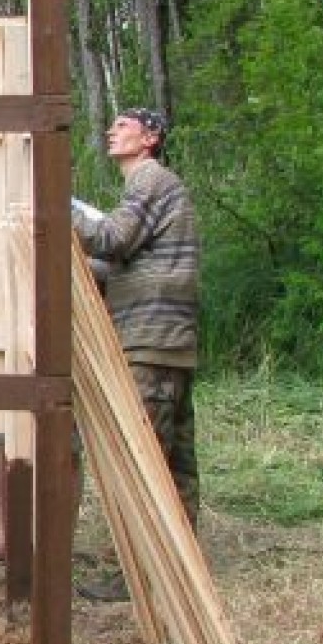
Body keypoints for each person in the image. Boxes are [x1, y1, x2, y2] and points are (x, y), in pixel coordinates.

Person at [70, 107, 201, 600]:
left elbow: (112, 238)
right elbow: (121, 262)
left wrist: (52, 206)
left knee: (143, 461)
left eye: (122, 126)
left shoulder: (149, 180)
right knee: (175, 465)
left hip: (150, 342)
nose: (111, 131)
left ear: (150, 138)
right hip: (170, 343)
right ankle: (184, 569)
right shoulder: (158, 186)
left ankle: (146, 577)